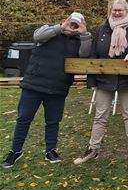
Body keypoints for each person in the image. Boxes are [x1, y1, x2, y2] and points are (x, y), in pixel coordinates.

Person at [1, 13, 91, 168]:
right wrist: (61, 28)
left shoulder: (79, 40)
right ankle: (15, 151)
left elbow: (85, 54)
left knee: (53, 121)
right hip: (34, 85)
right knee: (23, 118)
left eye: (76, 25)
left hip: (58, 87)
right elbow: (37, 37)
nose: (72, 27)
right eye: (71, 23)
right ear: (64, 21)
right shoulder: (49, 30)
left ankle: (51, 150)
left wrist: (84, 34)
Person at [74, 0, 128, 165]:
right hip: (104, 80)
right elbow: (94, 56)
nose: (116, 13)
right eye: (114, 10)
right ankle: (93, 149)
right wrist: (92, 81)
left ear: (126, 11)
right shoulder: (102, 29)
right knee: (100, 115)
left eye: (120, 10)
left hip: (127, 79)